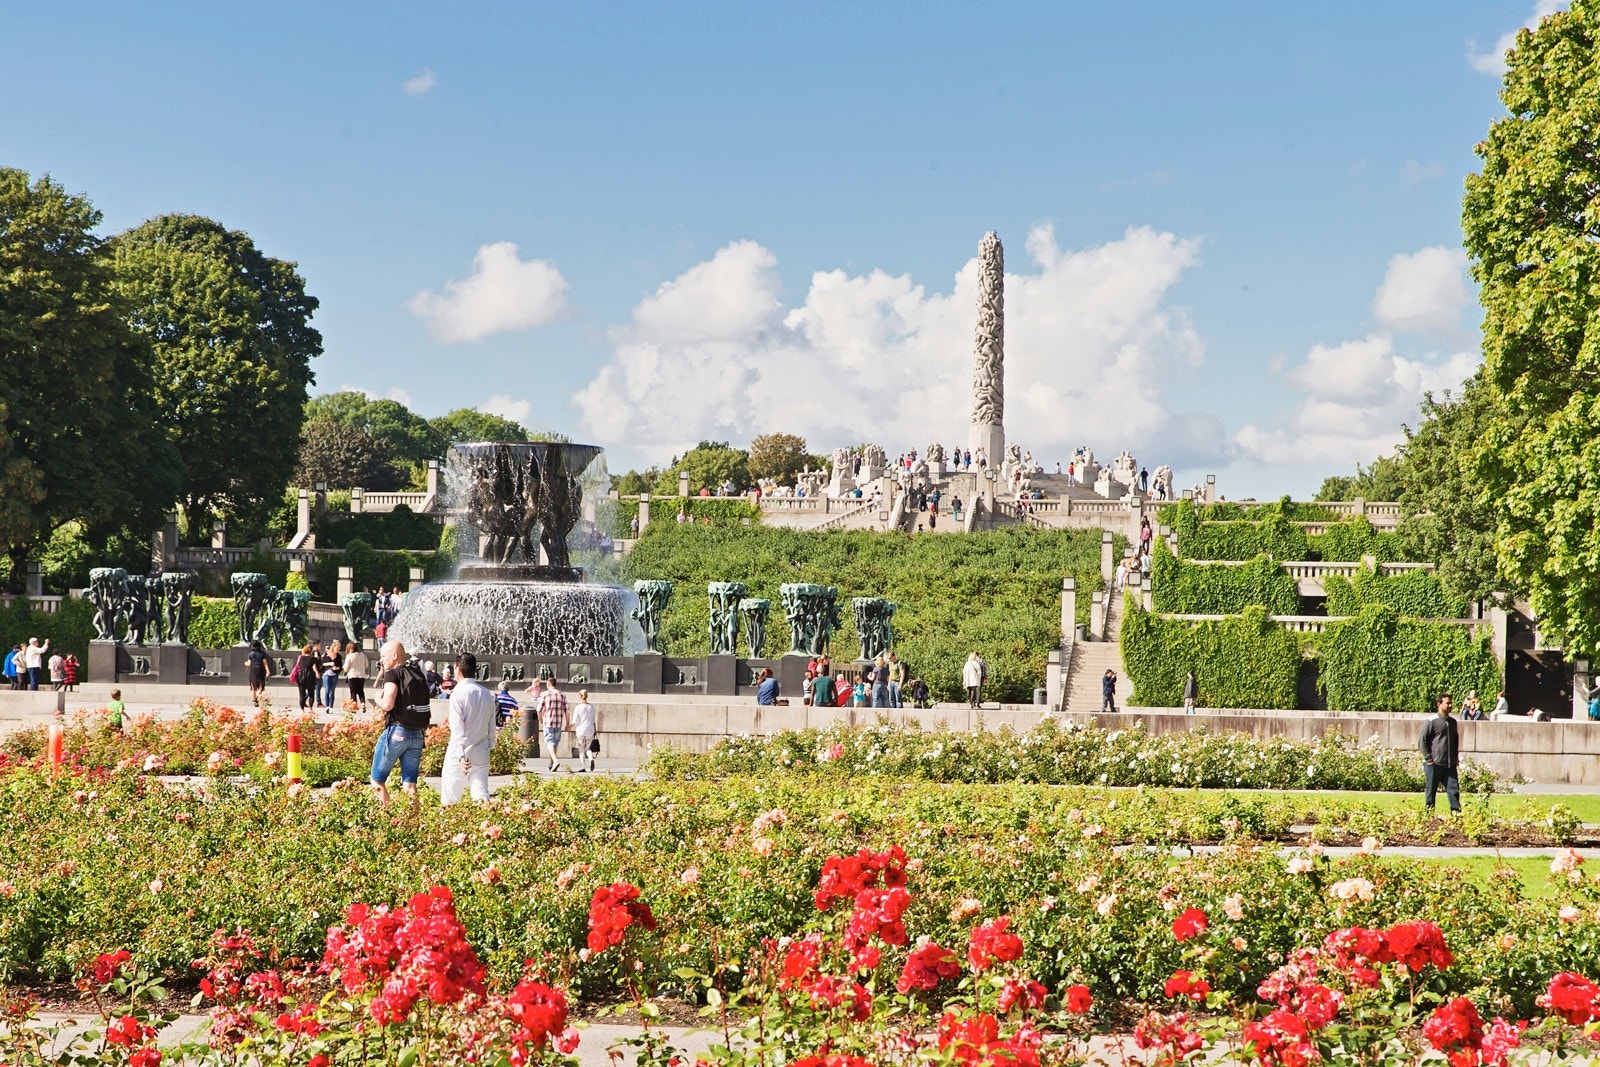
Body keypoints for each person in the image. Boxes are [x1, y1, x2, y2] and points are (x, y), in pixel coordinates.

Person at [370, 641, 432, 810]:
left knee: (377, 780)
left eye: (383, 656)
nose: (381, 660)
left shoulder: (392, 674)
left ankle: (386, 820)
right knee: (410, 785)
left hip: (397, 732)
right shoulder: (417, 673)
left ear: (395, 656)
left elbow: (388, 704)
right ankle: (412, 823)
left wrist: (377, 699)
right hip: (417, 735)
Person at [440, 652, 496, 806]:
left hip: (460, 753)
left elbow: (457, 729)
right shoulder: (486, 694)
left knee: (450, 797)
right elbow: (492, 726)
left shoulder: (457, 693)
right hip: (481, 752)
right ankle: (489, 827)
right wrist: (490, 746)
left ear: (457, 669)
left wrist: (460, 756)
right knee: (481, 795)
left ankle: (448, 828)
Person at [1419, 694, 1461, 815]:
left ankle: (1456, 813)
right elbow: (1422, 740)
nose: (1450, 705)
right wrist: (1428, 758)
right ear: (1439, 704)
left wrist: (1455, 757)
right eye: (1447, 703)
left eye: (1450, 703)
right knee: (1431, 791)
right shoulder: (1431, 721)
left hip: (1449, 765)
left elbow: (1455, 740)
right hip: (1434, 764)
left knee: (1454, 790)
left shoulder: (1453, 722)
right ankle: (1429, 814)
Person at [530, 678, 568, 772]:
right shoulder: (562, 695)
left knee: (549, 742)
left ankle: (555, 761)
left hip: (548, 722)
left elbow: (539, 709)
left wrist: (540, 719)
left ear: (548, 684)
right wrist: (567, 723)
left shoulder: (545, 694)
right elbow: (567, 711)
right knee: (554, 744)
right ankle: (551, 764)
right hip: (558, 722)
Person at [572, 688, 597, 773]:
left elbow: (575, 721)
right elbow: (593, 720)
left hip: (580, 730)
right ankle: (590, 759)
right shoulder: (591, 707)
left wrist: (568, 727)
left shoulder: (578, 708)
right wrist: (595, 730)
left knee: (581, 749)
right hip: (590, 730)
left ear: (580, 696)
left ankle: (583, 767)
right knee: (588, 748)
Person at [291, 644, 318, 711]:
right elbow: (314, 667)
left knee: (302, 695)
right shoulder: (312, 659)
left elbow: (298, 666)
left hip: (301, 677)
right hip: (310, 677)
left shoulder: (300, 658)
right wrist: (317, 673)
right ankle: (310, 709)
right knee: (311, 694)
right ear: (311, 651)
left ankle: (302, 710)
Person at [246, 639, 270, 707]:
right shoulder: (262, 653)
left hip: (253, 670)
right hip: (261, 670)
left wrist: (245, 663)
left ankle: (254, 699)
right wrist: (268, 670)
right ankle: (257, 698)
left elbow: (249, 664)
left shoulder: (250, 654)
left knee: (253, 687)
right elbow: (265, 663)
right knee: (261, 687)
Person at [321, 640, 343, 710]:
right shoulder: (327, 654)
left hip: (334, 674)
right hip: (327, 674)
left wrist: (337, 668)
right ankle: (327, 706)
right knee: (327, 690)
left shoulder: (339, 656)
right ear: (333, 647)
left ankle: (331, 707)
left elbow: (340, 666)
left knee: (332, 691)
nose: (338, 649)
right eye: (337, 648)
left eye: (339, 648)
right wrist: (330, 664)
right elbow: (323, 664)